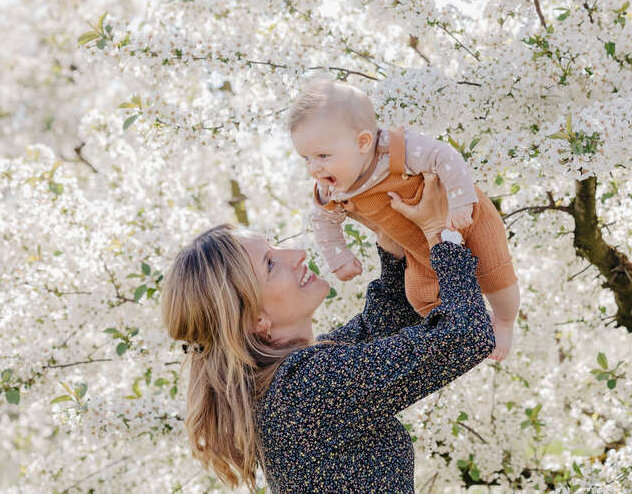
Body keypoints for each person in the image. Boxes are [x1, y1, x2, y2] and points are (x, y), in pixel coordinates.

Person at [161, 173, 495, 493]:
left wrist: (390, 238)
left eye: (274, 247)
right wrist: (442, 232)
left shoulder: (288, 382)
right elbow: (466, 336)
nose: (297, 255)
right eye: (270, 264)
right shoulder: (304, 387)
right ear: (254, 320)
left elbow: (379, 327)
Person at [288, 78, 520, 360]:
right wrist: (339, 257)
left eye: (323, 155)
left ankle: (505, 322)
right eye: (306, 159)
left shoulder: (396, 151)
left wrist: (461, 201)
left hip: (466, 219)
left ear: (362, 142)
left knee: (495, 274)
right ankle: (474, 321)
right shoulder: (333, 187)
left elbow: (444, 157)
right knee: (420, 296)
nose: (314, 168)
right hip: (420, 247)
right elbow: (324, 220)